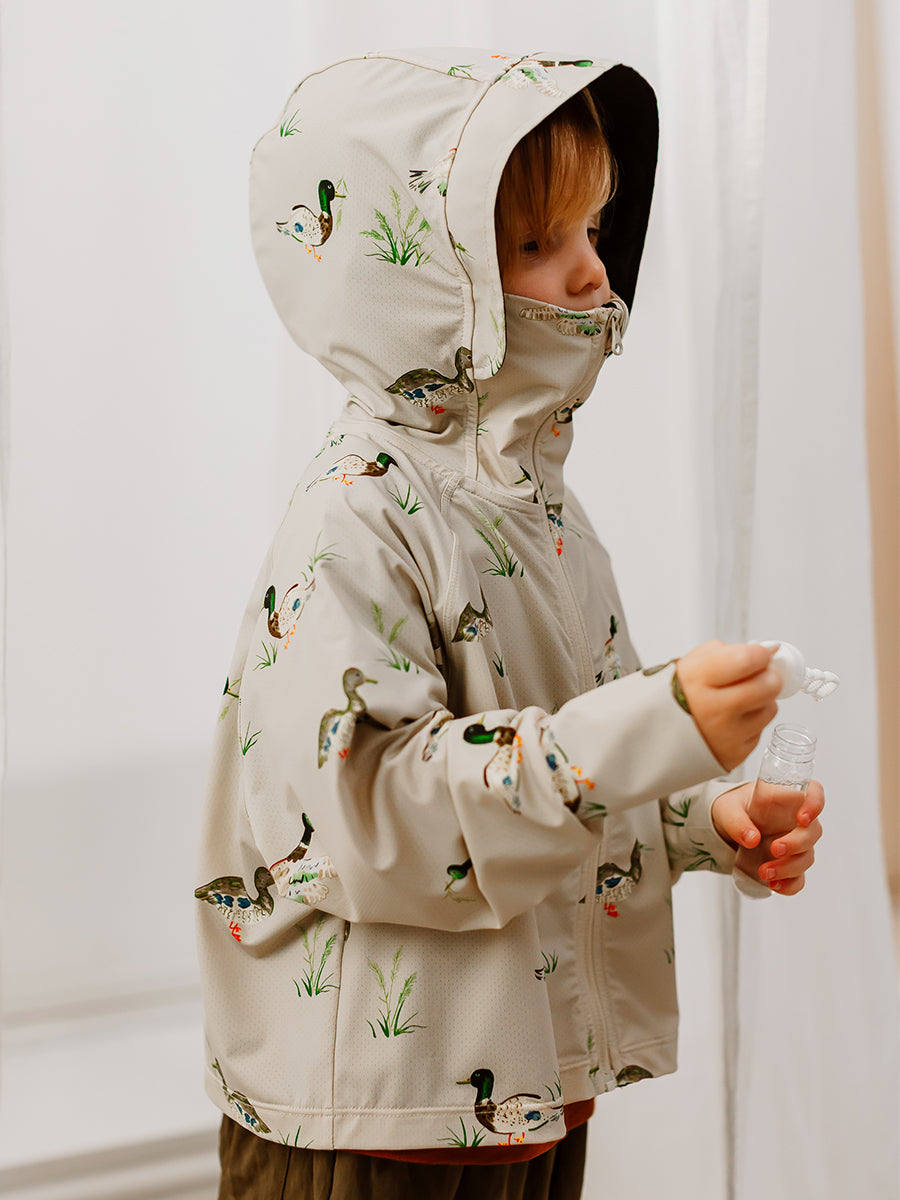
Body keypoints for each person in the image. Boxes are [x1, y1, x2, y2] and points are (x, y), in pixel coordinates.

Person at [194, 49, 824, 1200]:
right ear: (420, 280)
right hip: (376, 1127)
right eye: (538, 242)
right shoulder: (356, 518)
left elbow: (557, 765)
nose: (591, 270)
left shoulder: (536, 509)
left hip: (524, 1086)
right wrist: (652, 725)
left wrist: (698, 817)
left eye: (591, 226)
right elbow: (375, 812)